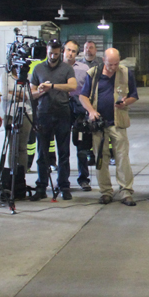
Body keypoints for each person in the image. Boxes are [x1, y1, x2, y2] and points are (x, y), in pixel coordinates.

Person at [78, 48, 138, 206]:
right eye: (110, 64)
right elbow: (82, 96)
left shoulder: (125, 73)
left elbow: (134, 95)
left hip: (118, 123)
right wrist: (91, 111)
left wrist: (125, 102)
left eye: (116, 64)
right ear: (103, 60)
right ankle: (105, 191)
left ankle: (126, 191)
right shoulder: (93, 74)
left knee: (122, 158)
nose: (113, 67)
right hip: (99, 125)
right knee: (100, 159)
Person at [30, 39, 77, 200]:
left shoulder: (66, 68)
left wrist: (53, 86)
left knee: (63, 152)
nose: (52, 56)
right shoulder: (38, 69)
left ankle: (63, 186)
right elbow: (31, 92)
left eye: (56, 53)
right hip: (43, 114)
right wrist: (42, 90)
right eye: (50, 53)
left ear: (61, 52)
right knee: (42, 153)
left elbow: (72, 86)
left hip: (62, 113)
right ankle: (41, 186)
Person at [65, 40, 93, 191]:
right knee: (63, 146)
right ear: (64, 51)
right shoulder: (57, 68)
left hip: (79, 108)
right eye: (68, 50)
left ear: (77, 53)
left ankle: (84, 179)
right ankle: (63, 181)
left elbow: (88, 90)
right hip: (61, 107)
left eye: (73, 51)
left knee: (82, 147)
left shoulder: (84, 68)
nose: (70, 53)